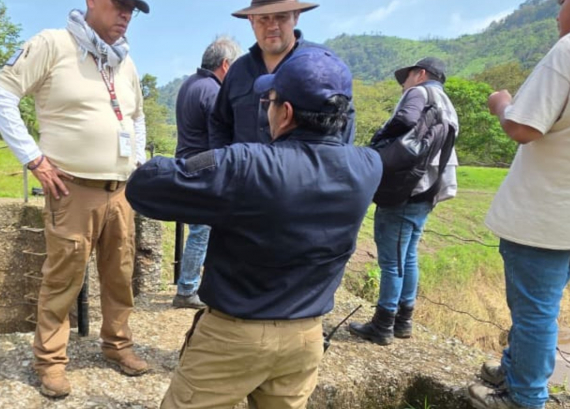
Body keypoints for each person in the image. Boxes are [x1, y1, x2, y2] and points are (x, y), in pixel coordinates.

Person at [127, 46, 382, 408]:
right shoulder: (367, 166)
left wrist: (212, 160)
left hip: (233, 338)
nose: (268, 109)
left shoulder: (245, 164)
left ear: (286, 112)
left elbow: (144, 186)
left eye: (271, 100)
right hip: (306, 338)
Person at [0, 0, 150, 398]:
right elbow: (0, 95)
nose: (126, 15)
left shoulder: (124, 61)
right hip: (71, 188)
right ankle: (51, 362)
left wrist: (136, 163)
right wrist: (34, 159)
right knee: (62, 280)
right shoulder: (53, 44)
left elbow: (136, 116)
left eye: (132, 8)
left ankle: (118, 346)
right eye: (119, 4)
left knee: (120, 274)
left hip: (120, 190)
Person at [467, 0, 570, 409]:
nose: (559, 12)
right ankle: (514, 369)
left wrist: (502, 103)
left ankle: (524, 398)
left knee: (535, 313)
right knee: (539, 310)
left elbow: (523, 128)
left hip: (544, 216)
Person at [348, 57, 459, 345]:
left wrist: (380, 141)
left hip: (405, 189)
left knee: (391, 260)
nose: (403, 85)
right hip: (428, 190)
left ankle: (383, 324)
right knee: (407, 256)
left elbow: (406, 119)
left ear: (420, 74)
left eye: (406, 78)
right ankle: (403, 321)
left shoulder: (420, 92)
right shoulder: (447, 103)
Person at [209, 0, 354, 148]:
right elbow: (219, 123)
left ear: (296, 17)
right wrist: (225, 168)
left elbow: (345, 121)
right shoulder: (238, 70)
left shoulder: (322, 66)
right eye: (264, 19)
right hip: (246, 175)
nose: (272, 26)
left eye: (281, 17)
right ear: (251, 20)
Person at [172, 36, 242, 310]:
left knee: (201, 230)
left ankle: (192, 285)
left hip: (187, 164)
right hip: (203, 168)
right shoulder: (212, 91)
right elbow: (217, 140)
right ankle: (187, 289)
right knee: (202, 231)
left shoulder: (190, 84)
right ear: (225, 65)